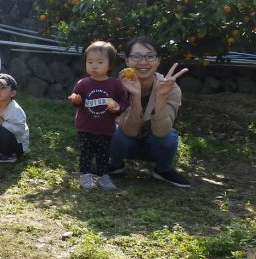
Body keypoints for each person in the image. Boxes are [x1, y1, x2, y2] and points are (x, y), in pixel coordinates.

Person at [108, 36, 190, 188]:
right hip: (126, 143)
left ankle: (162, 169)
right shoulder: (117, 87)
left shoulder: (171, 88)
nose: (144, 62)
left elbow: (162, 132)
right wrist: (136, 97)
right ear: (127, 60)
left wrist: (160, 97)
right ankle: (115, 163)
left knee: (169, 136)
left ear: (158, 61)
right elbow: (128, 132)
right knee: (114, 131)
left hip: (154, 144)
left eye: (150, 56)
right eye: (136, 56)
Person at [68, 41, 128, 190]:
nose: (94, 65)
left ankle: (103, 176)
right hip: (85, 127)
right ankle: (85, 175)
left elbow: (123, 101)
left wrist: (117, 107)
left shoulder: (115, 84)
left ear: (110, 64)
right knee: (86, 153)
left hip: (106, 127)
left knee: (103, 154)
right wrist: (76, 99)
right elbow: (77, 100)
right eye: (90, 62)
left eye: (100, 62)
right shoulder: (83, 83)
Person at [0, 73, 30, 163]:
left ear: (12, 93)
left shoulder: (15, 110)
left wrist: (2, 123)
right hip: (7, 137)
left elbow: (20, 130)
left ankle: (9, 155)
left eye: (2, 88)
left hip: (18, 146)